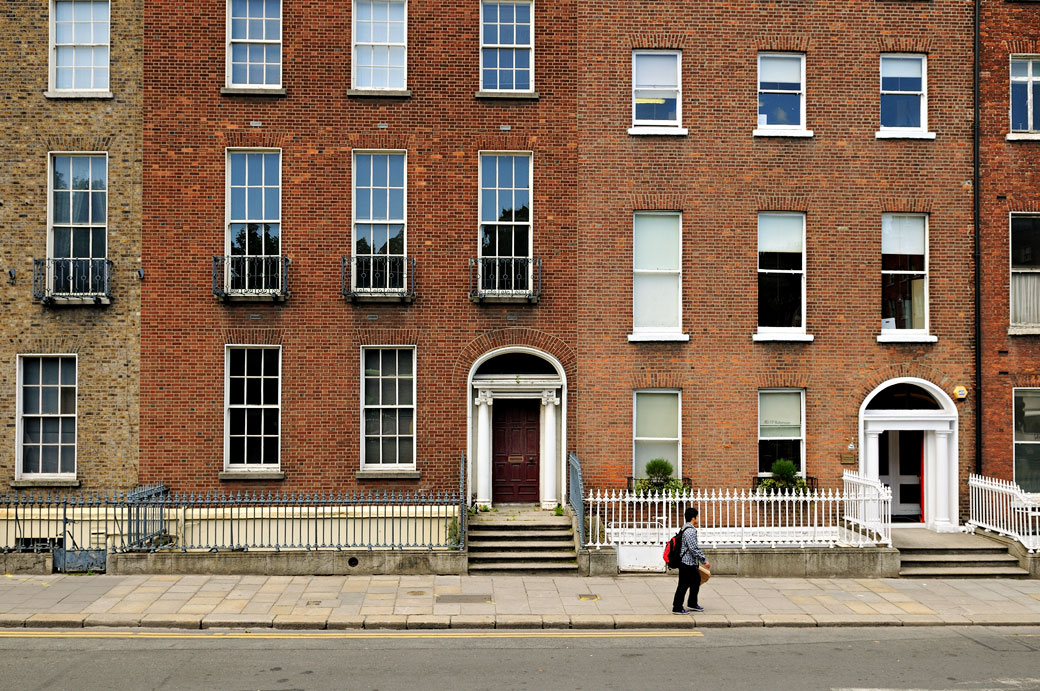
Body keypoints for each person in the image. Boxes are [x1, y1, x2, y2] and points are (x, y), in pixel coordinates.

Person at [672, 506, 709, 614]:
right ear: (693, 518)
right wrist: (704, 560)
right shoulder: (690, 531)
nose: (698, 518)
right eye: (697, 516)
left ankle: (692, 603)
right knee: (683, 586)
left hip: (690, 563)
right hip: (687, 563)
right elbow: (693, 548)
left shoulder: (685, 528)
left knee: (696, 581)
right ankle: (677, 608)